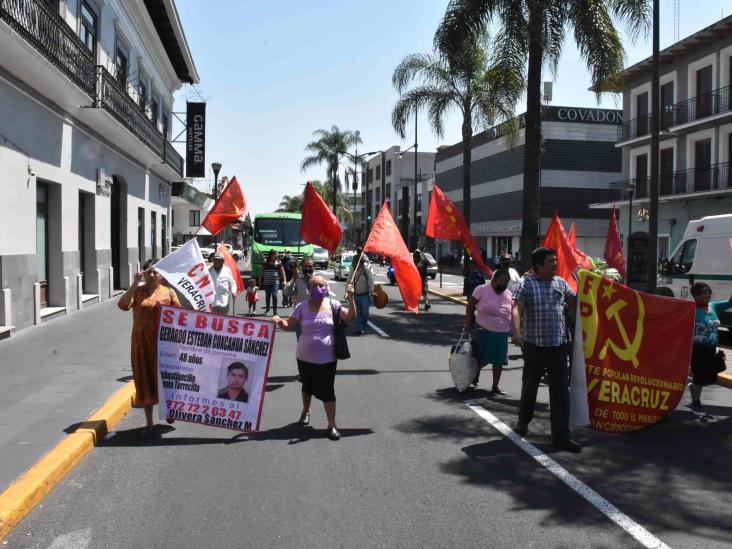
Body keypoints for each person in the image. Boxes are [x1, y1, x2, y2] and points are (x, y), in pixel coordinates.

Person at [512, 247, 581, 453]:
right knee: (530, 387)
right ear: (538, 265)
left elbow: (575, 302)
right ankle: (523, 422)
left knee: (560, 391)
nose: (555, 264)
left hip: (558, 346)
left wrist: (591, 288)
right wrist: (516, 332)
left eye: (555, 261)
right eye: (550, 261)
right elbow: (517, 308)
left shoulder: (561, 282)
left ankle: (561, 436)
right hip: (534, 346)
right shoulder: (527, 284)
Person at [272, 276, 356, 441]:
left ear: (326, 287)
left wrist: (351, 298)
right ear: (309, 289)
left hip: (328, 359)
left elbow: (350, 316)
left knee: (328, 391)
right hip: (304, 357)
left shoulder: (333, 305)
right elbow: (289, 325)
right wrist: (279, 321)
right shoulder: (301, 307)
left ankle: (331, 425)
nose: (318, 287)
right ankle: (306, 411)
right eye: (314, 285)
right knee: (307, 386)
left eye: (321, 285)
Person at [117, 259, 181, 437]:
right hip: (141, 344)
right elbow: (122, 305)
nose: (152, 275)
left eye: (155, 272)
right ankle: (149, 422)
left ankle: (169, 410)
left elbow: (181, 317)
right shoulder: (137, 292)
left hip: (164, 345)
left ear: (161, 275)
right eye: (148, 272)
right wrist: (134, 284)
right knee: (144, 380)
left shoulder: (169, 293)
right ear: (143, 274)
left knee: (165, 379)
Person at [465, 268, 519, 395]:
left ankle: (495, 385)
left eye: (507, 281)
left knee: (498, 360)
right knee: (480, 358)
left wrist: (515, 330)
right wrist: (468, 321)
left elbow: (513, 311)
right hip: (483, 330)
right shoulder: (482, 289)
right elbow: (470, 305)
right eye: (502, 280)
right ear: (494, 280)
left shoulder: (508, 294)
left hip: (501, 333)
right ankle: (474, 375)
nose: (504, 283)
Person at [688, 283, 732, 417]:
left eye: (708, 292)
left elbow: (730, 302)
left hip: (711, 349)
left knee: (709, 378)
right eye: (703, 292)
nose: (707, 295)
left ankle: (693, 387)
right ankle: (696, 403)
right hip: (697, 350)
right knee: (700, 379)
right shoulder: (690, 309)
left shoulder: (713, 306)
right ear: (695, 296)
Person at [350, 248, 374, 334]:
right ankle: (358, 328)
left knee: (365, 313)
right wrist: (347, 291)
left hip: (365, 295)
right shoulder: (354, 267)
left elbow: (370, 280)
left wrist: (371, 291)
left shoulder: (365, 265)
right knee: (357, 313)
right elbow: (349, 280)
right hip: (356, 294)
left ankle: (363, 326)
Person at [260, 250, 286, 316]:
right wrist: (260, 282)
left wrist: (284, 281)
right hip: (267, 282)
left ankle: (275, 311)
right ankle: (267, 310)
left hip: (275, 282)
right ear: (272, 255)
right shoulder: (265, 262)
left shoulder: (279, 263)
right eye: (276, 254)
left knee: (274, 295)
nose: (277, 255)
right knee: (268, 296)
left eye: (277, 254)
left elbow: (282, 272)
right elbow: (261, 273)